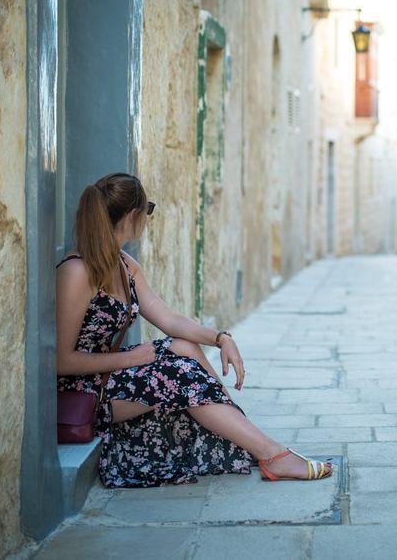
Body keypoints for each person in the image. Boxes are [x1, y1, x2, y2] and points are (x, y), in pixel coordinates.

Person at [56, 172, 331, 487]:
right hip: (84, 393)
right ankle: (271, 453)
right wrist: (127, 360)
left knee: (184, 347)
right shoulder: (76, 272)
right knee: (179, 373)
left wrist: (220, 338)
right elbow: (62, 361)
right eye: (148, 211)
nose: (147, 219)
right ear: (133, 216)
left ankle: (246, 433)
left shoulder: (124, 266)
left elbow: (169, 319)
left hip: (110, 377)